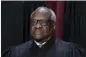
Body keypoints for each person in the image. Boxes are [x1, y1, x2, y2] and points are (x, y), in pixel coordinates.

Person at [2, 7, 85, 57]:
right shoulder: (15, 53)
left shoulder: (72, 52)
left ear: (53, 25)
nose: (37, 26)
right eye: (34, 22)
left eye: (43, 22)